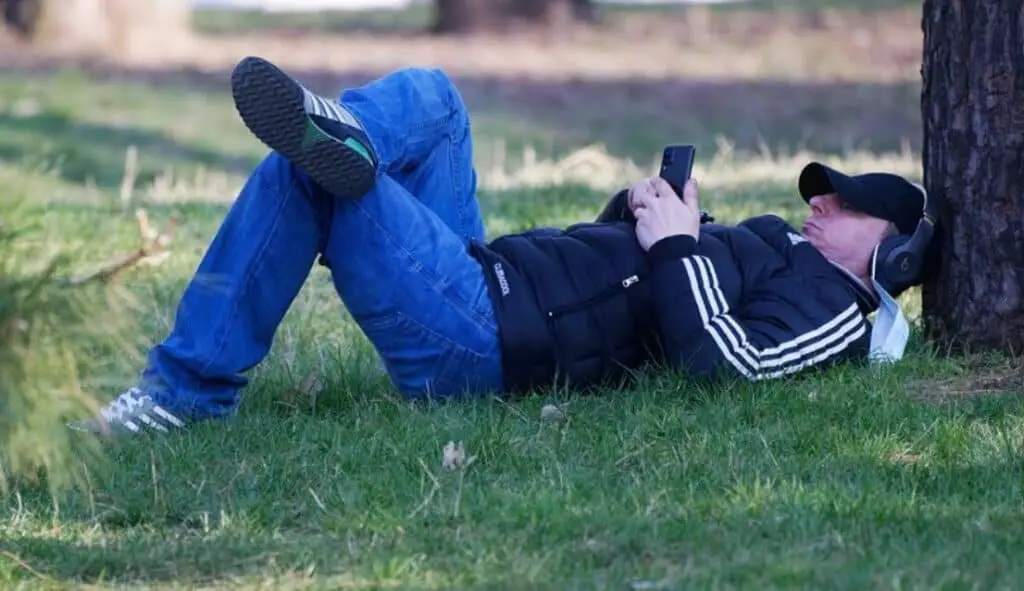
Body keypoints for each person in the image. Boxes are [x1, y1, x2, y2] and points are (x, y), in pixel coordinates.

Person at [69, 56, 941, 437]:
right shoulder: (780, 247)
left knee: (309, 173)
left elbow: (730, 361)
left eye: (850, 202)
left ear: (896, 256)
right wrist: (651, 215)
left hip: (488, 339)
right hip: (491, 276)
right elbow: (632, 279)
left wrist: (677, 245)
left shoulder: (839, 309)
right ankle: (352, 136)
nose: (822, 200)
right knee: (440, 100)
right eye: (823, 190)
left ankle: (184, 391)